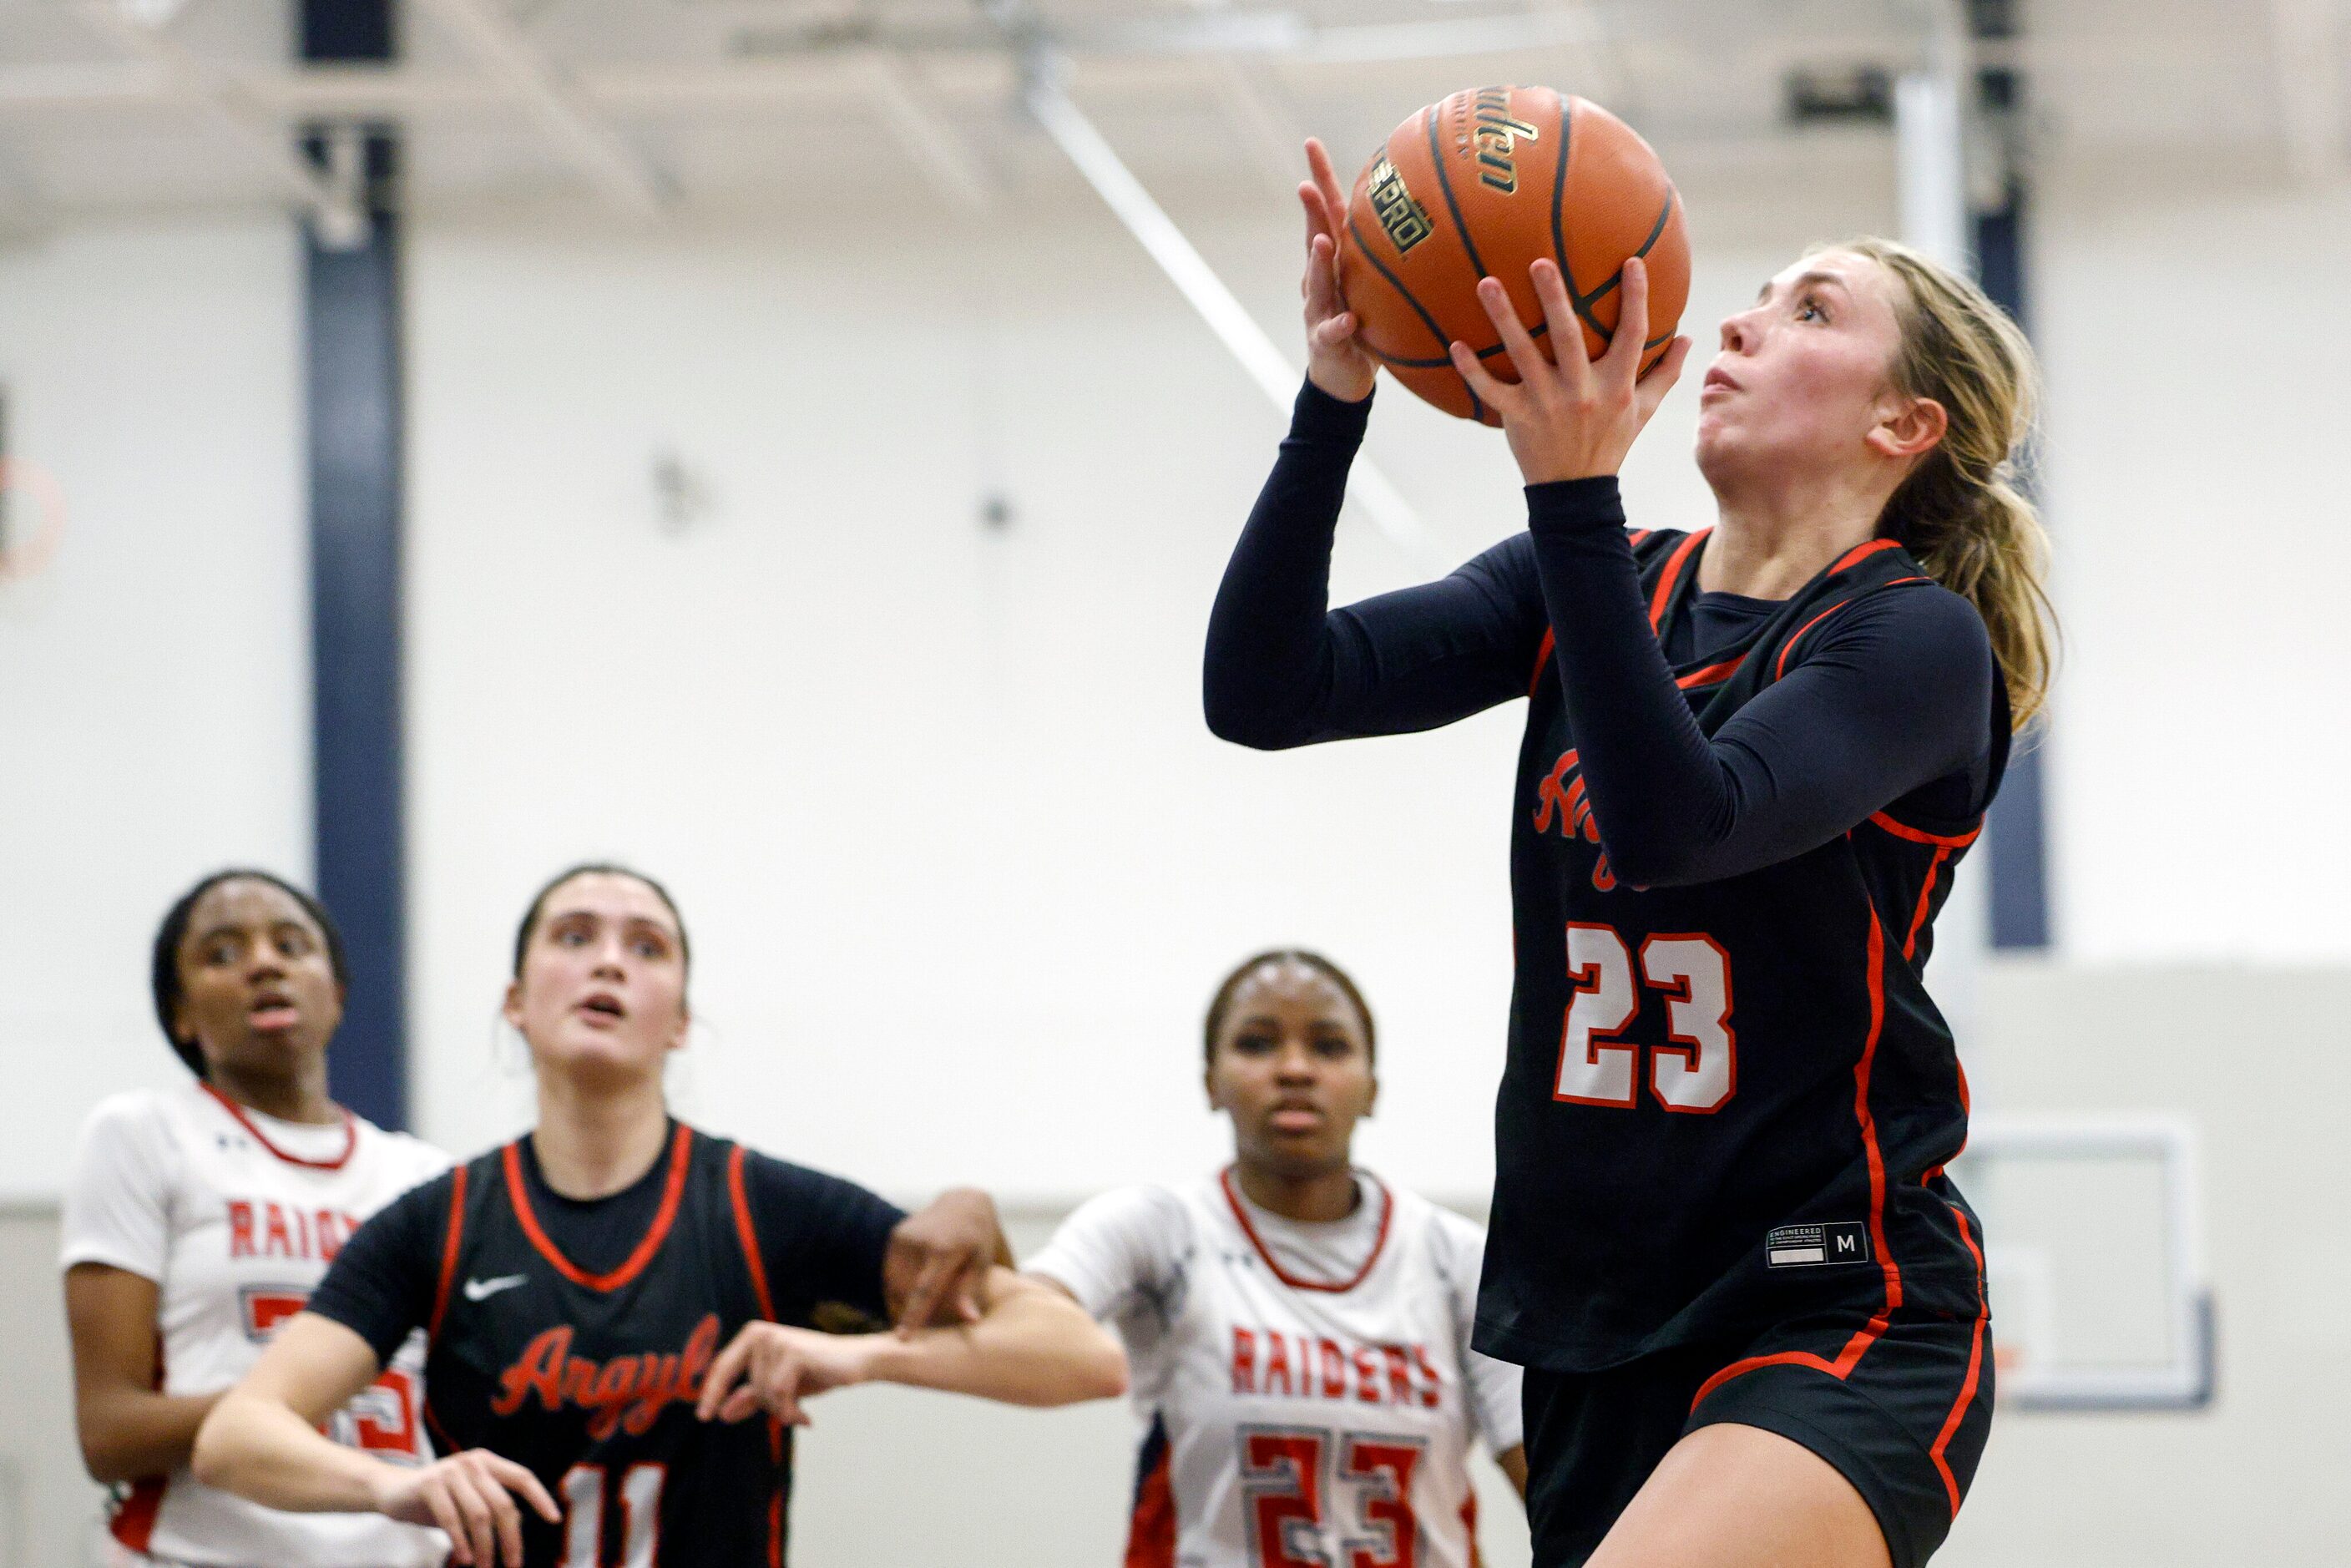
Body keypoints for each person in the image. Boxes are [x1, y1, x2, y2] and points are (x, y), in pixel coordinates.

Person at [1200, 139, 2052, 1568]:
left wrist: (1569, 489)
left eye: (1811, 312)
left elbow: (1679, 824)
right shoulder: (1585, 584)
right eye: (1760, 296)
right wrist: (1336, 391)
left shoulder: (1910, 640)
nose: (1738, 320)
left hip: (1828, 1296)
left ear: (1906, 423)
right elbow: (1263, 693)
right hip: (1597, 1315)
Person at [190, 862, 1125, 1568]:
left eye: (646, 946)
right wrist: (396, 1488)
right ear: (515, 1002)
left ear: (679, 1018)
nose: (608, 960)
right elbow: (236, 1438)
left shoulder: (766, 1206)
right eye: (573, 936)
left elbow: (1083, 1357)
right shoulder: (434, 1224)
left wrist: (864, 1354)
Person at [1029, 948, 1526, 1568]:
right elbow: (1022, 1316)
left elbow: (1556, 1491)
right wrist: (959, 1233)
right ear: (1210, 1082)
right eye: (1259, 1044)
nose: (1294, 1069)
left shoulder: (1457, 1257)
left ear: (1372, 1089)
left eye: (1329, 1046)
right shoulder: (1157, 1229)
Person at [62, 869, 452, 1567]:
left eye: (291, 945)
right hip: (202, 1552)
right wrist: (284, 1407)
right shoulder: (145, 1135)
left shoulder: (424, 1175)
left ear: (335, 994)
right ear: (181, 1013)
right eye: (222, 953)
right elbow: (108, 1431)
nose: (264, 964)